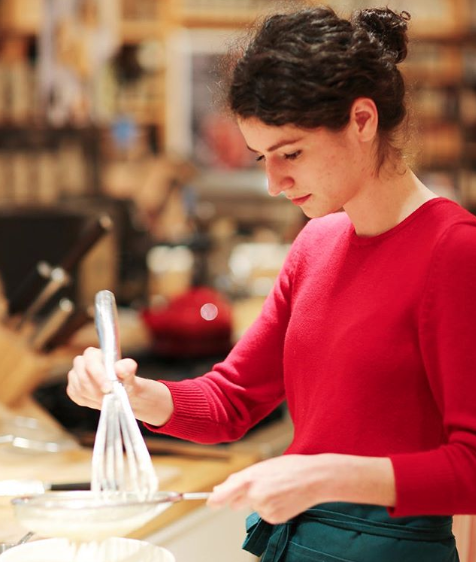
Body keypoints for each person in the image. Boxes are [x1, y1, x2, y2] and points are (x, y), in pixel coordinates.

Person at [67, 6, 476, 561]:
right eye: (262, 156)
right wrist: (133, 395)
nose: (274, 182)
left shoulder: (453, 250)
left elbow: (470, 467)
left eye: (291, 153)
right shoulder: (315, 244)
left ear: (362, 120)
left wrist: (323, 476)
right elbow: (231, 401)